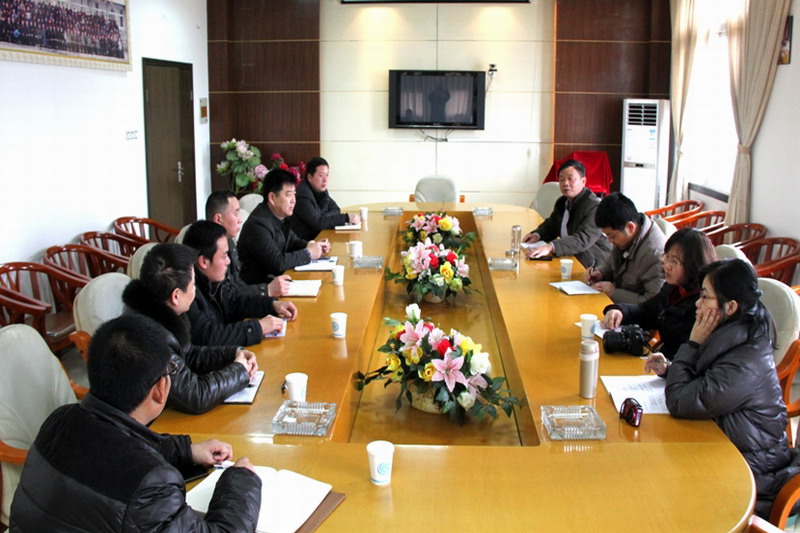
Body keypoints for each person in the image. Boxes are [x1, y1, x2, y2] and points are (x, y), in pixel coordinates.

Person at [9, 314, 261, 531]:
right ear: (160, 390)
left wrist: (187, 452)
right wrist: (240, 480)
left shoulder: (60, 419)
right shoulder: (150, 487)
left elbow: (112, 455)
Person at [647, 259, 800, 518]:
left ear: (731, 307)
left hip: (749, 474)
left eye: (705, 297)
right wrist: (671, 370)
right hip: (719, 447)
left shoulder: (745, 361)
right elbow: (707, 383)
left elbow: (680, 402)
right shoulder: (733, 335)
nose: (697, 303)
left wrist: (693, 343)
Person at [122, 243, 258, 414]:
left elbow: (188, 354)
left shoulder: (158, 307)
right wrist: (239, 371)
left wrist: (233, 354)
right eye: (193, 285)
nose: (195, 290)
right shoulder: (149, 338)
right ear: (176, 296)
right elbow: (195, 395)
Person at [602, 228, 717, 360]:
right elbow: (646, 311)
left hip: (674, 364)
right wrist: (620, 311)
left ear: (693, 265)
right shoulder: (673, 287)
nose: (667, 265)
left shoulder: (703, 303)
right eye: (667, 257)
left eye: (674, 262)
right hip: (660, 360)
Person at [183, 220, 298, 346]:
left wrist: (272, 305)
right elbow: (207, 336)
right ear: (204, 262)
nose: (228, 261)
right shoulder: (186, 291)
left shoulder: (212, 280)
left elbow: (235, 303)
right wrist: (258, 328)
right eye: (224, 256)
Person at [238, 168, 331, 281]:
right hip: (260, 287)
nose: (293, 200)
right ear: (272, 198)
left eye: (294, 195)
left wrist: (312, 245)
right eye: (288, 195)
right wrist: (309, 253)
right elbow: (278, 263)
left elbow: (293, 242)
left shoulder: (279, 217)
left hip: (277, 281)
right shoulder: (258, 225)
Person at [523, 159, 612, 267]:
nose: (565, 183)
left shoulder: (594, 206)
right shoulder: (562, 202)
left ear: (583, 181)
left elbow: (583, 238)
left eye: (571, 179)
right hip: (571, 258)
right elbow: (552, 225)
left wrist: (551, 247)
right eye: (561, 179)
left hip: (594, 265)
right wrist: (537, 235)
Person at [206, 189, 291, 297]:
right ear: (218, 219)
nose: (240, 220)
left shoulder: (229, 241)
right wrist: (266, 290)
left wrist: (267, 296)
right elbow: (226, 295)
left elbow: (237, 284)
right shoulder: (209, 249)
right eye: (236, 213)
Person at [585, 192, 666, 304]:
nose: (609, 241)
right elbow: (611, 264)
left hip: (634, 312)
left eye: (612, 236)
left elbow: (653, 303)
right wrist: (601, 273)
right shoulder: (626, 237)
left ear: (630, 227)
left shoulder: (654, 255)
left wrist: (614, 293)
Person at [291, 157, 360, 241]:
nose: (325, 180)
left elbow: (336, 209)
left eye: (327, 175)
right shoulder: (303, 195)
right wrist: (346, 218)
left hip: (318, 238)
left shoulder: (321, 191)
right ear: (310, 177)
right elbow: (318, 223)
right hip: (303, 243)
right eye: (321, 175)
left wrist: (323, 219)